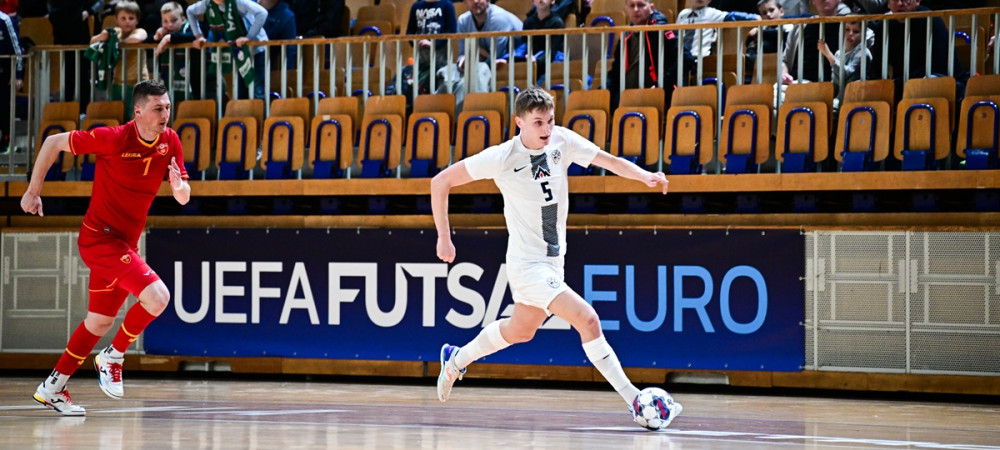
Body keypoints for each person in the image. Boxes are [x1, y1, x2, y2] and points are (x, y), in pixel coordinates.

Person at [431, 87, 680, 430]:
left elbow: (606, 160)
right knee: (587, 319)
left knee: (521, 331)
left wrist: (645, 176)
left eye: (549, 120)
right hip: (527, 266)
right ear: (519, 122)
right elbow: (439, 182)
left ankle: (456, 357)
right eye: (538, 123)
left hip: (553, 262)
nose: (546, 129)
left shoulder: (561, 141)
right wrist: (444, 236)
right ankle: (634, 399)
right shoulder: (502, 157)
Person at [24, 79, 190, 416]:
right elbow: (54, 142)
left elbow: (184, 196)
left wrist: (178, 187)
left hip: (124, 244)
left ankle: (53, 387)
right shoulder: (114, 137)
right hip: (100, 240)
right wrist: (33, 190)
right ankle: (113, 356)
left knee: (98, 322)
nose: (165, 114)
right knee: (157, 297)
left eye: (168, 107)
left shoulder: (170, 141)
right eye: (158, 108)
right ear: (138, 110)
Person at [868, 0, 969, 101]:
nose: (899, 4)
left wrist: (898, 83)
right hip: (904, 85)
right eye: (894, 0)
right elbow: (878, 65)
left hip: (943, 81)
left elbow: (938, 66)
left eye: (904, 0)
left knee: (930, 81)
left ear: (917, 1)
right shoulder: (884, 26)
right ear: (888, 4)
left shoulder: (932, 21)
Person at [606, 0, 692, 110]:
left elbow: (686, 59)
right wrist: (605, 90)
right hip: (628, 96)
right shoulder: (626, 35)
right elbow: (616, 71)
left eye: (641, 5)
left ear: (651, 8)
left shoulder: (660, 29)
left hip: (657, 94)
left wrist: (660, 85)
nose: (636, 10)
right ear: (626, 9)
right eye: (632, 6)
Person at [443, 0, 522, 109]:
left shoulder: (498, 18)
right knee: (448, 73)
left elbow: (496, 54)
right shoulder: (463, 21)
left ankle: (470, 114)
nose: (476, 1)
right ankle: (444, 116)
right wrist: (462, 61)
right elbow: (463, 54)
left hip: (512, 60)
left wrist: (475, 57)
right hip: (483, 61)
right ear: (465, 2)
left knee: (474, 74)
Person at [187, 0, 269, 100]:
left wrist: (249, 37)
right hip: (238, 52)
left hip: (256, 49)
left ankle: (263, 114)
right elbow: (190, 11)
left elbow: (262, 13)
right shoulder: (207, 3)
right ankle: (244, 115)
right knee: (240, 93)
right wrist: (198, 35)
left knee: (258, 90)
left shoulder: (238, 2)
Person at [90, 1, 149, 116]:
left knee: (136, 117)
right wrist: (103, 36)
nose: (127, 21)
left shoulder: (140, 31)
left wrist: (116, 44)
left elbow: (136, 39)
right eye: (123, 18)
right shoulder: (115, 32)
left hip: (138, 83)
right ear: (116, 19)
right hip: (117, 82)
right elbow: (92, 41)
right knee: (118, 117)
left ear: (137, 20)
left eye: (131, 18)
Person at [404, 0, 457, 95]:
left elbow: (451, 31)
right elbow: (409, 32)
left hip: (440, 57)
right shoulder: (416, 6)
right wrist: (416, 42)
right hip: (421, 58)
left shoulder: (447, 5)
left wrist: (433, 44)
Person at [151, 1, 201, 101]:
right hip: (170, 80)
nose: (169, 25)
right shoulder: (163, 32)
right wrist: (156, 37)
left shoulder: (190, 27)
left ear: (183, 19)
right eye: (165, 21)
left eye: (173, 20)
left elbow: (194, 36)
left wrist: (169, 38)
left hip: (196, 81)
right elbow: (146, 41)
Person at [676, 0, 759, 58]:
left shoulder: (711, 12)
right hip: (681, 56)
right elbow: (676, 34)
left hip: (700, 57)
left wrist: (754, 17)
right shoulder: (683, 14)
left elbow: (732, 15)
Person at [817, 18, 871, 98]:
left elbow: (846, 74)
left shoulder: (863, 52)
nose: (850, 33)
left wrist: (828, 54)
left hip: (856, 99)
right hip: (839, 100)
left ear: (863, 34)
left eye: (856, 31)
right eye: (847, 29)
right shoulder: (838, 53)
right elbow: (835, 84)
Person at [518, 0, 565, 84]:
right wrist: (507, 59)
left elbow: (552, 50)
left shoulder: (557, 22)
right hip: (531, 61)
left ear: (552, 1)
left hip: (552, 62)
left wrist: (537, 60)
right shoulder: (528, 23)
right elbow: (524, 46)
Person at [0, 9, 22, 151]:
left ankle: (6, 141)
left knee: (3, 107)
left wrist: (18, 75)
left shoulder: (5, 21)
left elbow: (17, 49)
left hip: (4, 73)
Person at [259, 0, 297, 70]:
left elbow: (289, 53)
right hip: (235, 66)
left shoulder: (286, 16)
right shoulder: (243, 4)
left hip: (263, 73)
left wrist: (288, 79)